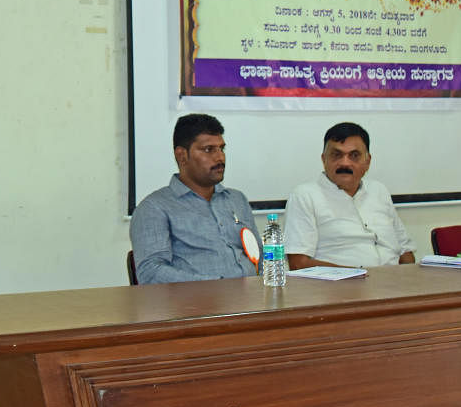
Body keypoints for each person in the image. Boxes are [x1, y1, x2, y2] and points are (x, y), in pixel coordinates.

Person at [129, 114, 260, 284]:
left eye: (222, 148)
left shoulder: (237, 200)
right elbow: (151, 273)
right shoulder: (154, 208)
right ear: (182, 156)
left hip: (252, 302)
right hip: (195, 307)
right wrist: (216, 288)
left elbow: (261, 258)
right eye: (208, 149)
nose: (220, 157)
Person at [283, 122, 415, 269]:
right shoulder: (305, 196)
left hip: (393, 284)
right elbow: (299, 264)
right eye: (336, 155)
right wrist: (359, 276)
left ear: (367, 161)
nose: (345, 163)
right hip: (339, 288)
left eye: (354, 156)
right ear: (323, 159)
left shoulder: (379, 190)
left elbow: (405, 251)